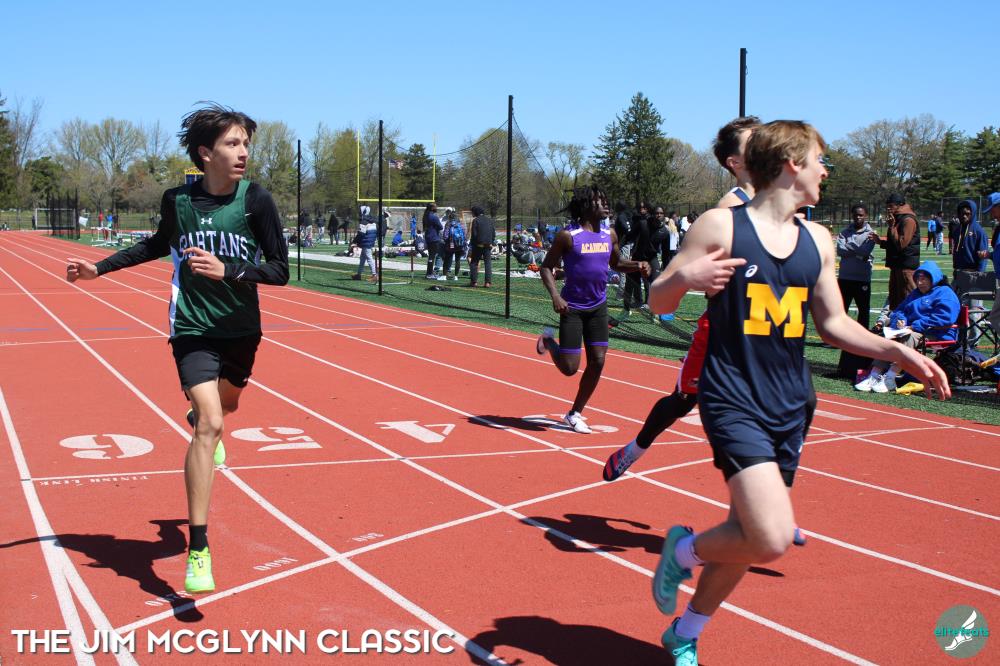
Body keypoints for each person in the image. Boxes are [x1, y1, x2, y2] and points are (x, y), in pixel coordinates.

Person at [643, 120, 949, 664]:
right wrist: (685, 279)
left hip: (791, 400)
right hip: (734, 396)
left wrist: (896, 351)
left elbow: (833, 325)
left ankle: (685, 632)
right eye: (819, 160)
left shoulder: (818, 239)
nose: (825, 171)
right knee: (771, 536)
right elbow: (658, 301)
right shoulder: (721, 225)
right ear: (791, 164)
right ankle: (682, 552)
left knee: (746, 533)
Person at [65, 103, 289, 594]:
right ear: (205, 153)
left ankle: (205, 419)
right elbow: (154, 244)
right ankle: (199, 549)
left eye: (246, 144)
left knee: (226, 407)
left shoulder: (256, 201)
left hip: (241, 329)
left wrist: (230, 271)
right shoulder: (178, 201)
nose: (243, 153)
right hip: (191, 327)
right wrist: (98, 269)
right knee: (210, 424)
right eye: (233, 144)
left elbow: (280, 270)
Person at [603, 117, 761, 482]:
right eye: (754, 142)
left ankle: (757, 496)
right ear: (735, 162)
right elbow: (676, 285)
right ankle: (636, 448)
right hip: (724, 329)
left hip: (764, 327)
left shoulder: (780, 203)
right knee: (684, 400)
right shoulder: (729, 209)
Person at [535, 185, 650, 433]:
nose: (605, 204)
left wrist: (638, 265)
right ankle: (548, 341)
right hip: (572, 308)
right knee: (569, 368)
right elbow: (546, 267)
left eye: (606, 200)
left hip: (598, 307)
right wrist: (556, 296)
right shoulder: (568, 236)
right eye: (599, 201)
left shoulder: (610, 234)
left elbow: (617, 263)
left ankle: (574, 413)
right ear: (586, 206)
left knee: (598, 361)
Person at [855, 260, 959, 393]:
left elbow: (944, 318)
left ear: (933, 278)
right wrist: (901, 320)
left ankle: (890, 377)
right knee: (887, 338)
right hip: (911, 329)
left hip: (936, 332)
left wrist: (915, 326)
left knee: (908, 337)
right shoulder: (916, 293)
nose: (919, 283)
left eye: (924, 279)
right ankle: (874, 374)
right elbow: (899, 310)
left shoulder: (945, 293)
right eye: (918, 279)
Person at [872, 193, 920, 309]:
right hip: (897, 265)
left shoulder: (908, 220)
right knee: (895, 300)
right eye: (887, 206)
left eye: (891, 206)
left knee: (908, 300)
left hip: (906, 267)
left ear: (900, 205)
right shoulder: (897, 218)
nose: (888, 208)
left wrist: (892, 227)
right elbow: (894, 244)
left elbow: (901, 244)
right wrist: (880, 242)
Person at [836, 204, 876, 329]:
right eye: (856, 215)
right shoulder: (844, 232)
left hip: (862, 278)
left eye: (861, 215)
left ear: (866, 216)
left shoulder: (871, 234)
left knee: (863, 311)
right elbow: (840, 251)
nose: (858, 217)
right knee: (841, 310)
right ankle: (838, 335)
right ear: (852, 215)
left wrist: (850, 245)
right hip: (845, 277)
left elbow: (866, 251)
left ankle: (863, 337)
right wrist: (859, 253)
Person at [468, 205, 496, 287]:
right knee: (488, 263)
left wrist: (473, 244)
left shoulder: (476, 220)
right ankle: (487, 282)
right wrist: (491, 242)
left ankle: (474, 282)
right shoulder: (489, 220)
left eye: (472, 212)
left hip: (478, 244)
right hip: (488, 244)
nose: (472, 214)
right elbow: (493, 233)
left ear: (476, 212)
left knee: (474, 262)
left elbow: (474, 234)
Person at [352, 206, 378, 282]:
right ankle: (358, 275)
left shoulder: (364, 221)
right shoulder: (372, 220)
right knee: (362, 259)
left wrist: (354, 241)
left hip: (366, 242)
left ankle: (374, 275)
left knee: (369, 258)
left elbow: (361, 234)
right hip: (370, 241)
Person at [441, 209, 467, 281]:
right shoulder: (461, 224)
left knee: (447, 259)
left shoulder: (448, 223)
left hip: (450, 244)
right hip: (459, 244)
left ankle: (444, 276)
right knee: (457, 260)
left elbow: (445, 235)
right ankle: (456, 276)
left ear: (450, 217)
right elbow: (465, 234)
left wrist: (446, 241)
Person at [422, 202, 443, 278]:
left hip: (428, 237)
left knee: (431, 256)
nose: (436, 208)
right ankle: (429, 273)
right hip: (434, 238)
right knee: (432, 256)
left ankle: (429, 272)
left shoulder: (425, 216)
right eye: (435, 207)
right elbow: (440, 227)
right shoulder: (434, 217)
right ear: (432, 208)